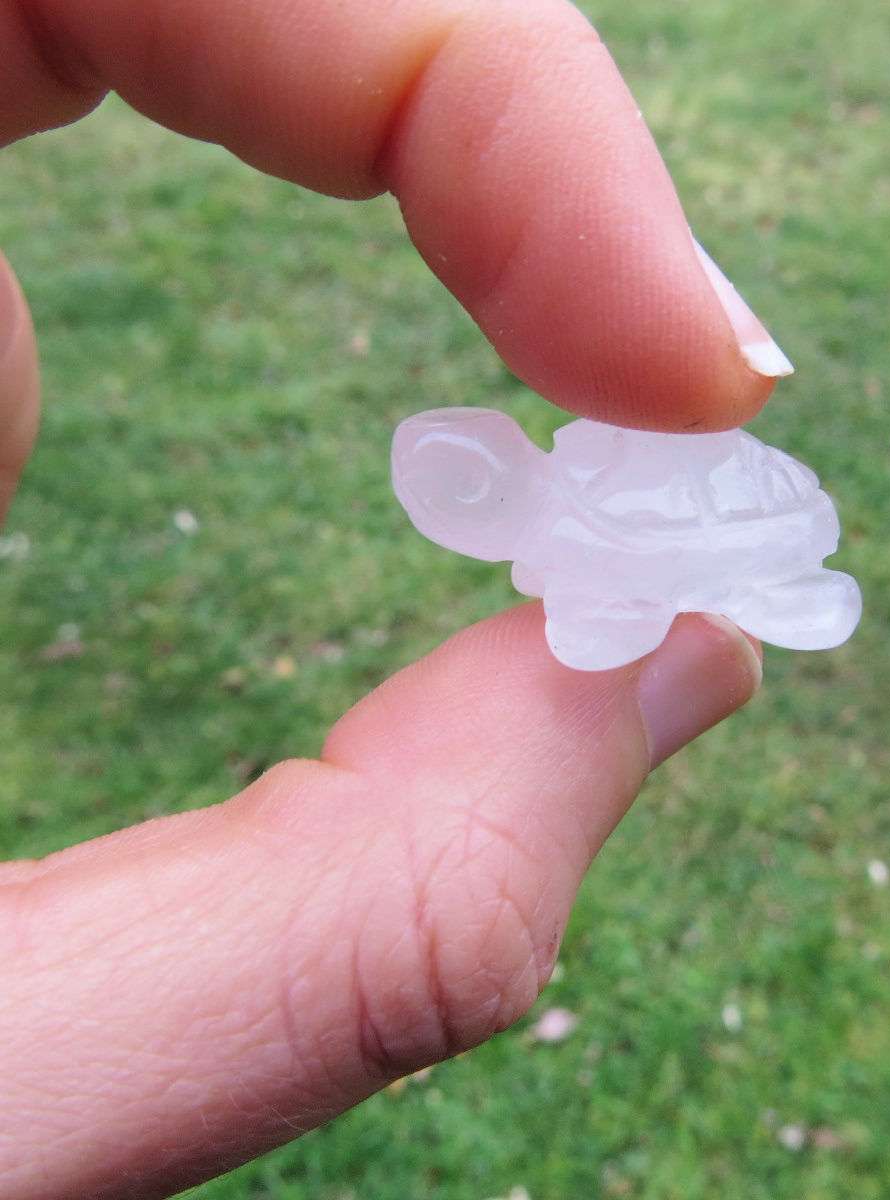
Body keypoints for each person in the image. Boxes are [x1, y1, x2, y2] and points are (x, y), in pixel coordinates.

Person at [0, 1, 793, 1195]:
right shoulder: (572, 509)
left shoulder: (588, 504)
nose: (464, 506)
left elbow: (611, 574)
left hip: (729, 534)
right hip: (666, 534)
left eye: (468, 491)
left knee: (621, 610)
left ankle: (783, 586)